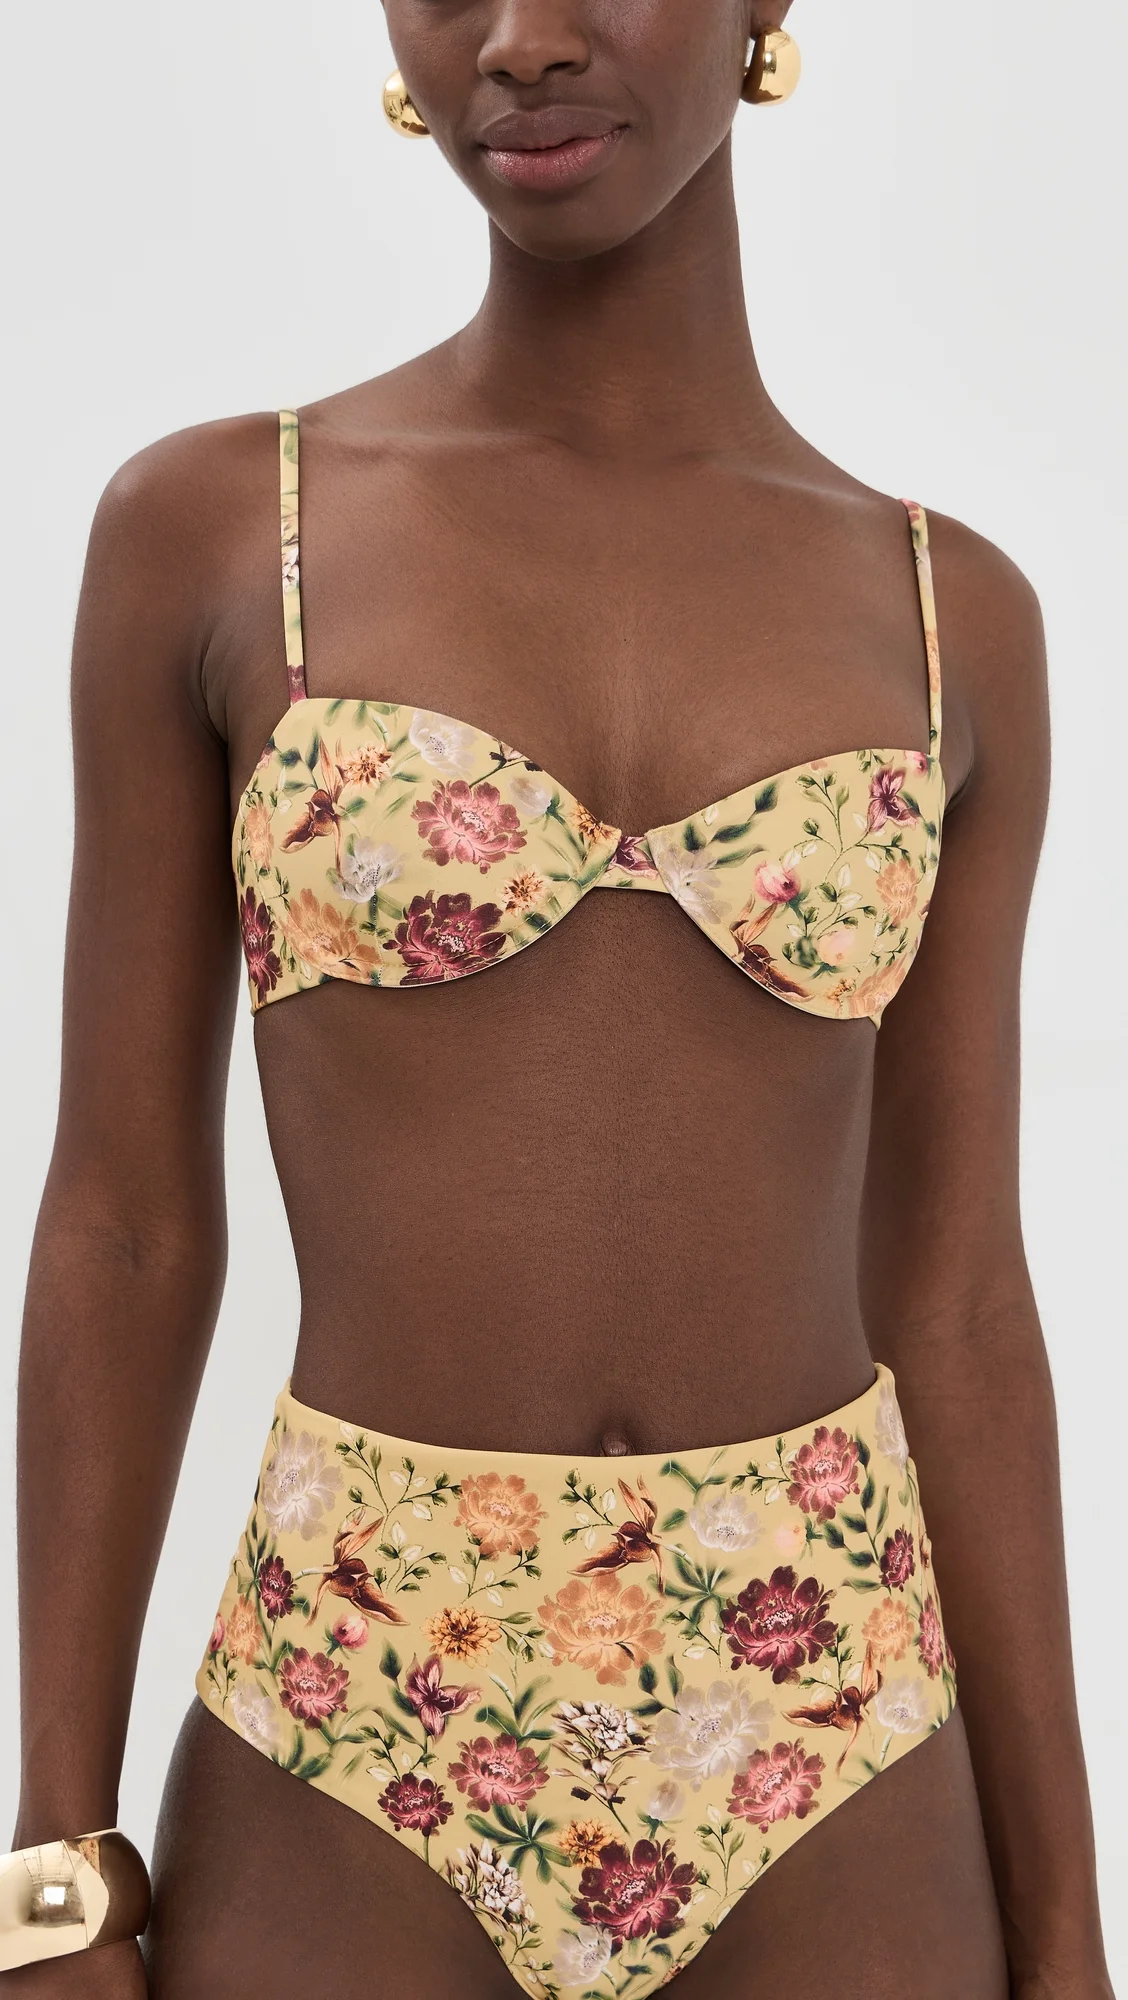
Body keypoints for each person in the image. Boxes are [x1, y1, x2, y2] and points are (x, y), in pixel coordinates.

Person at [4, 5, 1113, 1997]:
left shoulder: (957, 621)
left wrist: (1069, 1934)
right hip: (355, 1699)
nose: (518, 42)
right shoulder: (224, 534)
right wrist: (51, 1864)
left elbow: (955, 1298)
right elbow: (125, 1223)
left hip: (832, 1722)